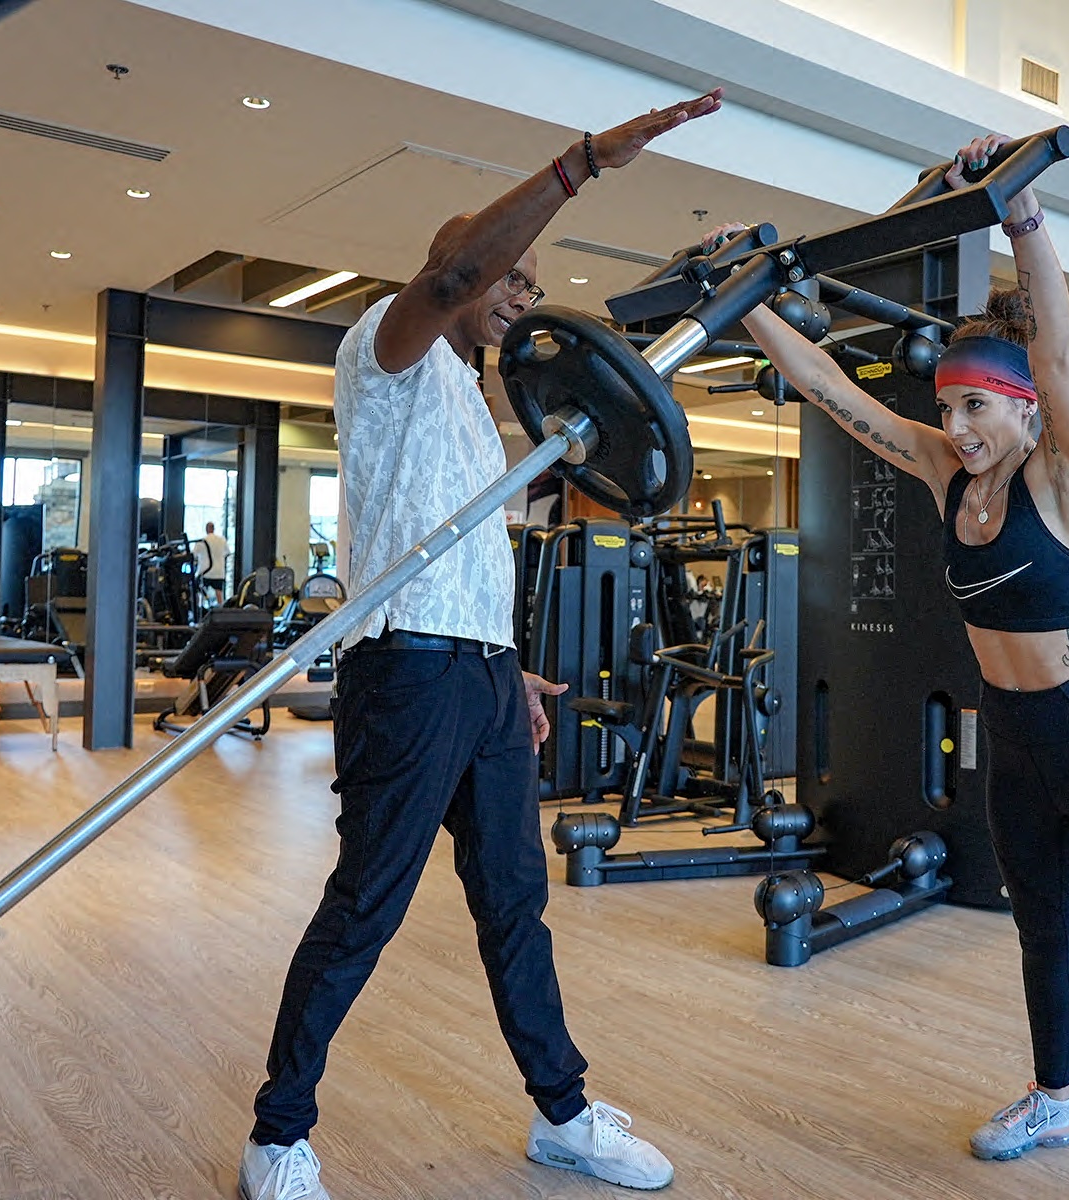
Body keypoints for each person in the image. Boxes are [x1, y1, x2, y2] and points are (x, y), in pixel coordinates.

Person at [730, 132, 1069, 1199]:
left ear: (1025, 407)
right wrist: (743, 298)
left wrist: (1019, 213)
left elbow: (1060, 352)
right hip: (1011, 735)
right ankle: (1055, 1098)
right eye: (947, 407)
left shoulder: (1063, 478)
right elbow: (828, 386)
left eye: (976, 405)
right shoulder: (946, 473)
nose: (957, 425)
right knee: (1042, 933)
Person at [238, 88, 723, 1200]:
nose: (520, 298)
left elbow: (455, 550)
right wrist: (582, 163)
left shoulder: (471, 398)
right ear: (455, 266)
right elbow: (456, 277)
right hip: (406, 675)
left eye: (532, 288)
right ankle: (277, 1135)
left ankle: (562, 1113)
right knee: (366, 905)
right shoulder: (386, 350)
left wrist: (507, 666)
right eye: (510, 276)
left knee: (515, 903)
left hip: (483, 676)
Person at [197, 521, 230, 604]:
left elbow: (194, 554)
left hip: (205, 571)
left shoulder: (201, 541)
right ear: (214, 529)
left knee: (201, 591)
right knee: (219, 592)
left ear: (206, 529)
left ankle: (200, 608)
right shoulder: (222, 540)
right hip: (218, 572)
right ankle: (221, 608)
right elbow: (227, 553)